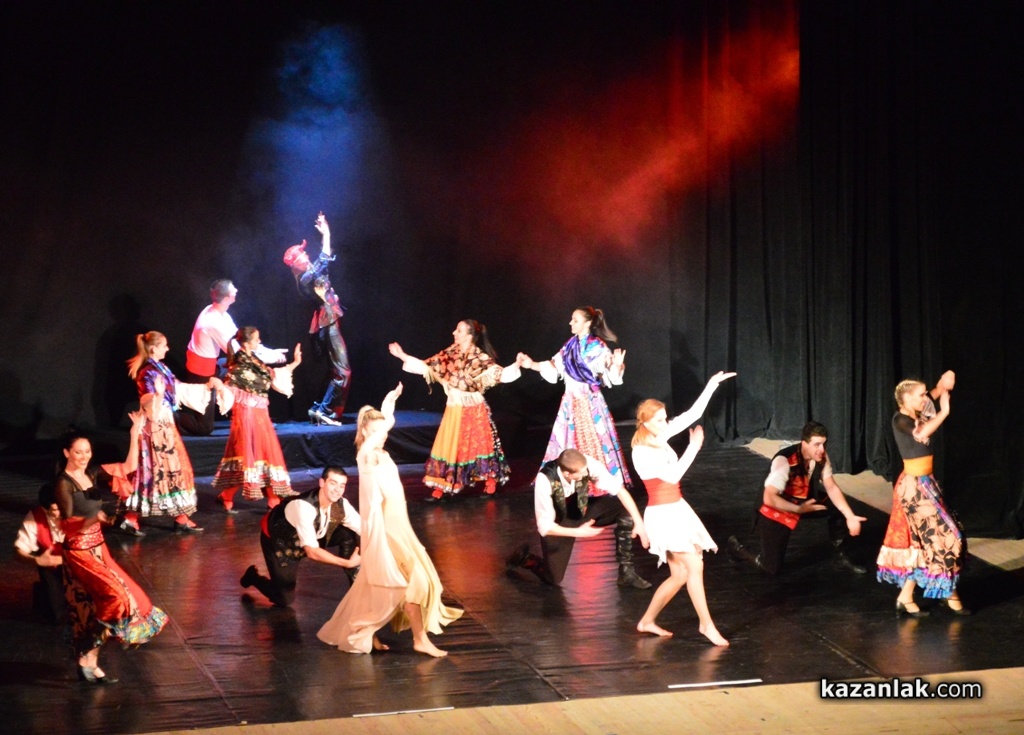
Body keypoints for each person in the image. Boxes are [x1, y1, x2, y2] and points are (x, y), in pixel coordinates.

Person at [318, 383, 463, 657]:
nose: (382, 437)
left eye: (383, 432)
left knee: (380, 586)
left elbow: (385, 427)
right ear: (364, 432)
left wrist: (390, 402)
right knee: (409, 583)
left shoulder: (382, 454)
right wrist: (386, 417)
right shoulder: (365, 457)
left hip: (400, 527)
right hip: (386, 532)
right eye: (376, 432)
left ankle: (367, 631)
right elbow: (379, 434)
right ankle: (419, 639)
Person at [55, 414, 168, 685]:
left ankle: (89, 659)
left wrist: (135, 431)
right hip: (79, 551)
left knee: (133, 599)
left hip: (99, 547)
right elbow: (68, 523)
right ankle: (86, 655)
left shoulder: (91, 474)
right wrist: (100, 518)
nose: (84, 456)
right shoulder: (63, 483)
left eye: (87, 451)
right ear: (67, 453)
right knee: (117, 599)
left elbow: (128, 466)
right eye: (78, 452)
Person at [632, 371, 735, 646]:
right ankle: (706, 625)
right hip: (662, 514)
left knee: (679, 574)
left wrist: (711, 385)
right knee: (694, 564)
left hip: (676, 508)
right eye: (659, 420)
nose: (665, 423)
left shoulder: (659, 434)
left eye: (665, 418)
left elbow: (692, 414)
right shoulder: (642, 451)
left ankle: (647, 621)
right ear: (645, 422)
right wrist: (694, 447)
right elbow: (673, 476)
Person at [388, 320, 521, 501]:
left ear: (469, 335)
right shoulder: (450, 354)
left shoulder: (479, 358)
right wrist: (402, 355)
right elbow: (427, 367)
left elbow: (500, 374)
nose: (454, 333)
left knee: (480, 445)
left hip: (474, 409)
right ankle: (442, 486)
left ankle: (490, 482)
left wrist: (517, 364)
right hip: (454, 407)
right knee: (448, 445)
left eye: (459, 331)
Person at [877, 371, 968, 616]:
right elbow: (922, 433)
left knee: (927, 543)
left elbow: (931, 399)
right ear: (906, 399)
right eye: (920, 395)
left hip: (926, 483)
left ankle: (908, 596)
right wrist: (944, 412)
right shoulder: (901, 420)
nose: (925, 398)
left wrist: (942, 384)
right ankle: (949, 593)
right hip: (914, 488)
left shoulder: (915, 412)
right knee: (948, 537)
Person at [727, 421, 868, 576]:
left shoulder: (821, 457)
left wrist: (849, 516)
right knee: (771, 568)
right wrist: (797, 509)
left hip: (804, 500)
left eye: (824, 444)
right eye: (817, 444)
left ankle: (842, 553)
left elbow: (831, 487)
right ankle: (737, 547)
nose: (822, 449)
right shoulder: (784, 461)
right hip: (778, 506)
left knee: (839, 508)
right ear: (804, 444)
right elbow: (769, 498)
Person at [505, 448, 652, 589]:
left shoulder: (587, 464)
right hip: (559, 522)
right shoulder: (545, 480)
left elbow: (619, 490)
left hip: (581, 509)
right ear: (567, 474)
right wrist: (578, 532)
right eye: (581, 474)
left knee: (625, 509)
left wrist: (639, 523)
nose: (586, 474)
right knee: (553, 579)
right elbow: (545, 527)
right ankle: (526, 559)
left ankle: (626, 572)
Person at [518, 306, 631, 487]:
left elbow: (610, 373)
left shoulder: (597, 347)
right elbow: (554, 366)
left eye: (575, 320)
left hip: (589, 401)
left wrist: (617, 365)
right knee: (569, 440)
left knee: (593, 439)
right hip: (570, 401)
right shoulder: (569, 346)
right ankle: (570, 481)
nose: (571, 322)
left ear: (587, 323)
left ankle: (596, 482)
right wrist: (531, 364)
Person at [120, 331, 206, 536]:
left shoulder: (162, 368)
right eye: (164, 345)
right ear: (153, 348)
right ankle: (130, 518)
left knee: (174, 469)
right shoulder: (147, 372)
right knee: (153, 471)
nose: (167, 349)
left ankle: (181, 518)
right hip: (155, 426)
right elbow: (148, 404)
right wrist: (158, 394)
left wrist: (206, 386)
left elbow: (177, 388)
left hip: (165, 424)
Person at [176, 279, 287, 436]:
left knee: (245, 373)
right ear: (227, 298)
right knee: (203, 428)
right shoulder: (213, 321)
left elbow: (242, 340)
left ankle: (254, 419)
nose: (237, 290)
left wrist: (270, 352)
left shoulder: (220, 313)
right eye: (233, 289)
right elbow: (240, 351)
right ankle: (168, 415)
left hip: (213, 367)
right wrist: (273, 356)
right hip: (201, 375)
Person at [241, 466, 362, 607]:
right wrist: (347, 563)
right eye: (333, 483)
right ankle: (253, 577)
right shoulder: (303, 507)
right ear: (322, 483)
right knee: (284, 599)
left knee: (350, 534)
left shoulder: (342, 504)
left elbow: (365, 529)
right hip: (281, 543)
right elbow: (312, 552)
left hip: (312, 535)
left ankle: (357, 584)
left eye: (342, 485)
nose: (337, 490)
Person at [212, 327, 301, 512]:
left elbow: (271, 375)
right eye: (256, 339)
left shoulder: (254, 361)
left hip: (260, 413)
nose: (259, 342)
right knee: (248, 454)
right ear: (246, 343)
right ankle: (232, 496)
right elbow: (229, 389)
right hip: (246, 414)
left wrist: (295, 363)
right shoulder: (238, 366)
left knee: (264, 453)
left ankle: (269, 498)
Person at [283, 212, 351, 426]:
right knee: (343, 370)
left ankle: (319, 408)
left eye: (304, 252)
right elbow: (324, 257)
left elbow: (325, 259)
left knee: (337, 369)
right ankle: (326, 410)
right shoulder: (305, 279)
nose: (306, 255)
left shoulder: (309, 273)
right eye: (301, 255)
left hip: (329, 319)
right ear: (296, 264)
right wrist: (326, 234)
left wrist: (325, 235)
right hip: (327, 321)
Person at [14, 482, 67, 624]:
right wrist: (37, 560)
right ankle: (43, 591)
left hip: (77, 562)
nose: (59, 513)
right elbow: (18, 551)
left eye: (61, 507)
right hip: (50, 566)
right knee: (57, 614)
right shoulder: (34, 518)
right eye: (54, 510)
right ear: (44, 508)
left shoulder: (75, 510)